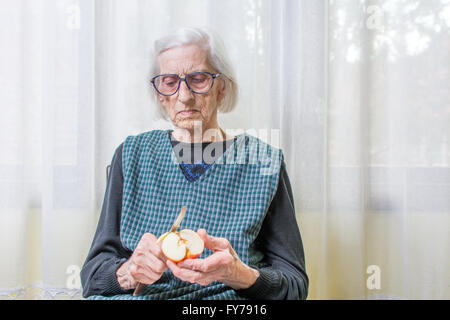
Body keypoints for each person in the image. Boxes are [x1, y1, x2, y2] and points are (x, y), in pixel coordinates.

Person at [80, 27, 308, 300]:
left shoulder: (263, 161)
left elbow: (295, 288)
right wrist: (129, 271)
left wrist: (241, 275)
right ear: (160, 94)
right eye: (169, 82)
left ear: (222, 88)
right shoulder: (132, 154)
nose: (184, 96)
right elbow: (92, 280)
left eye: (198, 79)